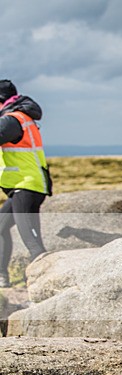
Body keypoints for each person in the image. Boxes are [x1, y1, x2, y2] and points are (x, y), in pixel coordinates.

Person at [0, 80, 51, 288]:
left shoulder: (11, 121)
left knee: (32, 242)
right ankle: (2, 277)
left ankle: (45, 282)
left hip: (27, 186)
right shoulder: (19, 117)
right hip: (22, 187)